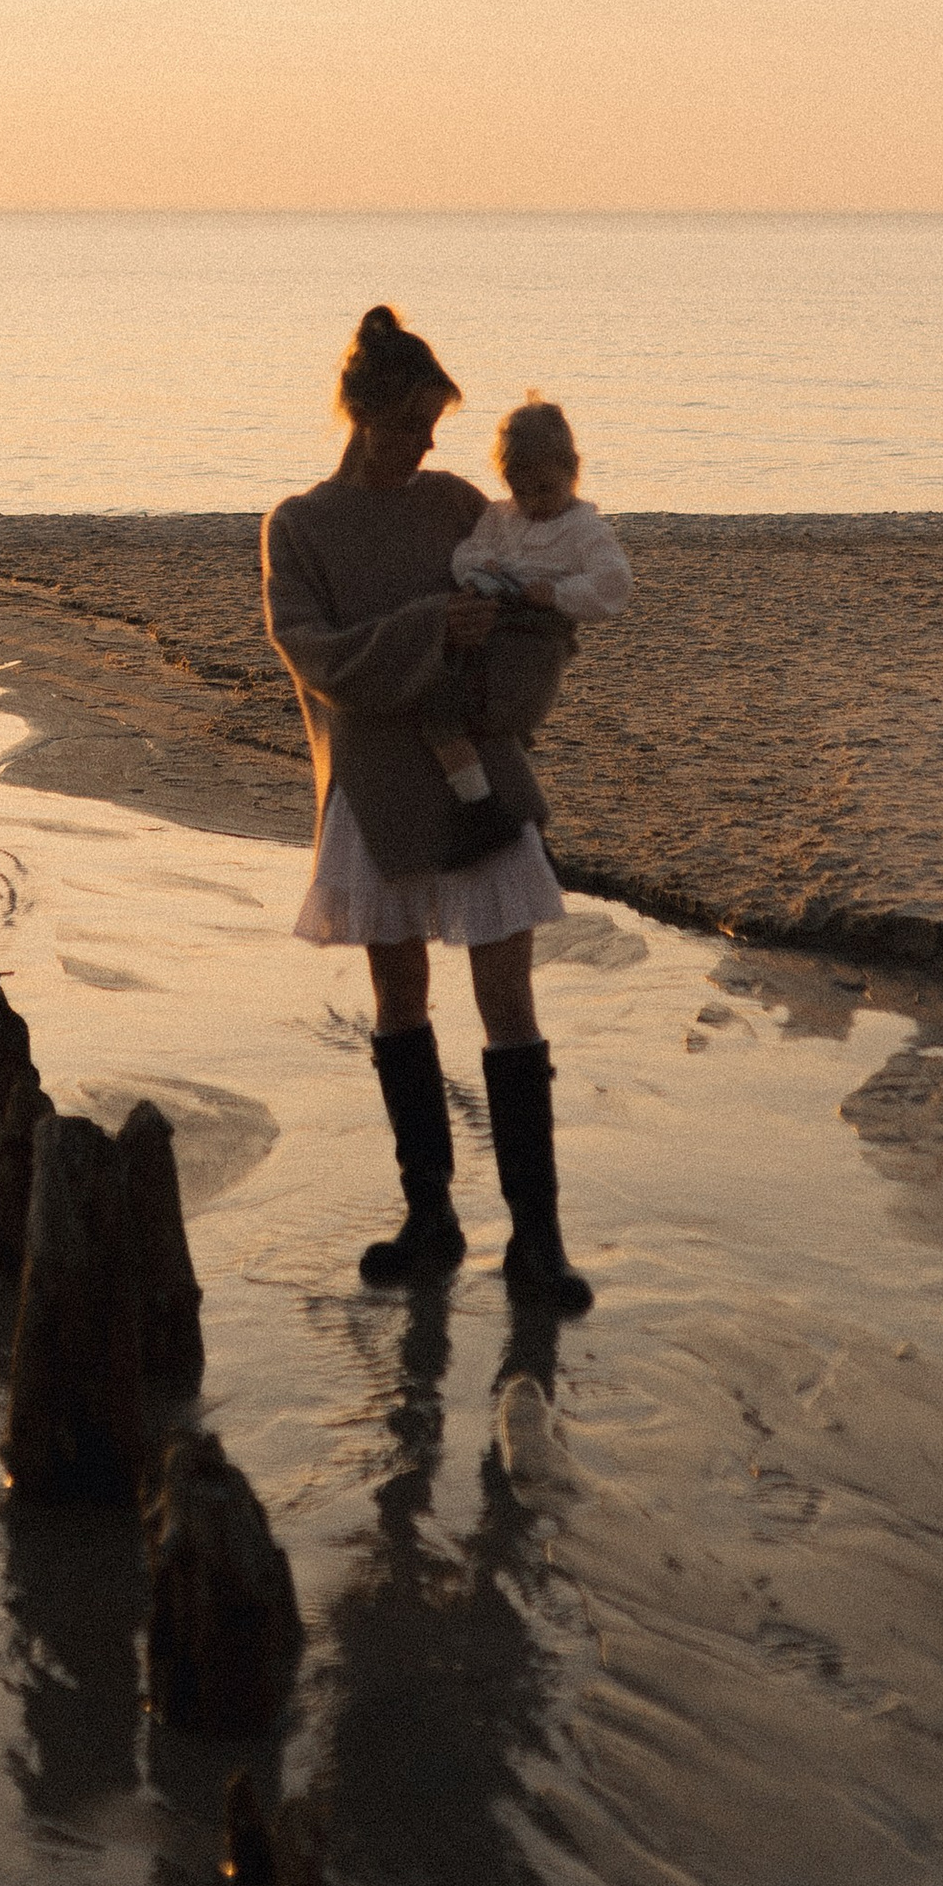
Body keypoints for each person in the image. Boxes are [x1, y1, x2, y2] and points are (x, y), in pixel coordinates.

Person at [263, 306, 594, 1311]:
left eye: (434, 426)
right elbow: (316, 658)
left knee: (508, 1003)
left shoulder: (456, 503)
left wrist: (510, 652)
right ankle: (430, 1216)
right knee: (400, 1004)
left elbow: (540, 587)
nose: (428, 446)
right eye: (412, 424)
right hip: (373, 791)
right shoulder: (299, 525)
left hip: (478, 780)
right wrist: (426, 630)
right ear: (360, 416)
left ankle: (536, 1242)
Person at [421, 396, 631, 859]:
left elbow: (614, 586)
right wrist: (483, 569)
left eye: (545, 489)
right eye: (522, 490)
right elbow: (466, 555)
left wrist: (555, 594)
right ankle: (481, 807)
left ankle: (503, 816)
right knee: (435, 709)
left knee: (474, 716)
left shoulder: (583, 529)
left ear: (571, 470)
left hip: (535, 648)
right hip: (487, 638)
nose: (534, 503)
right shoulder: (501, 518)